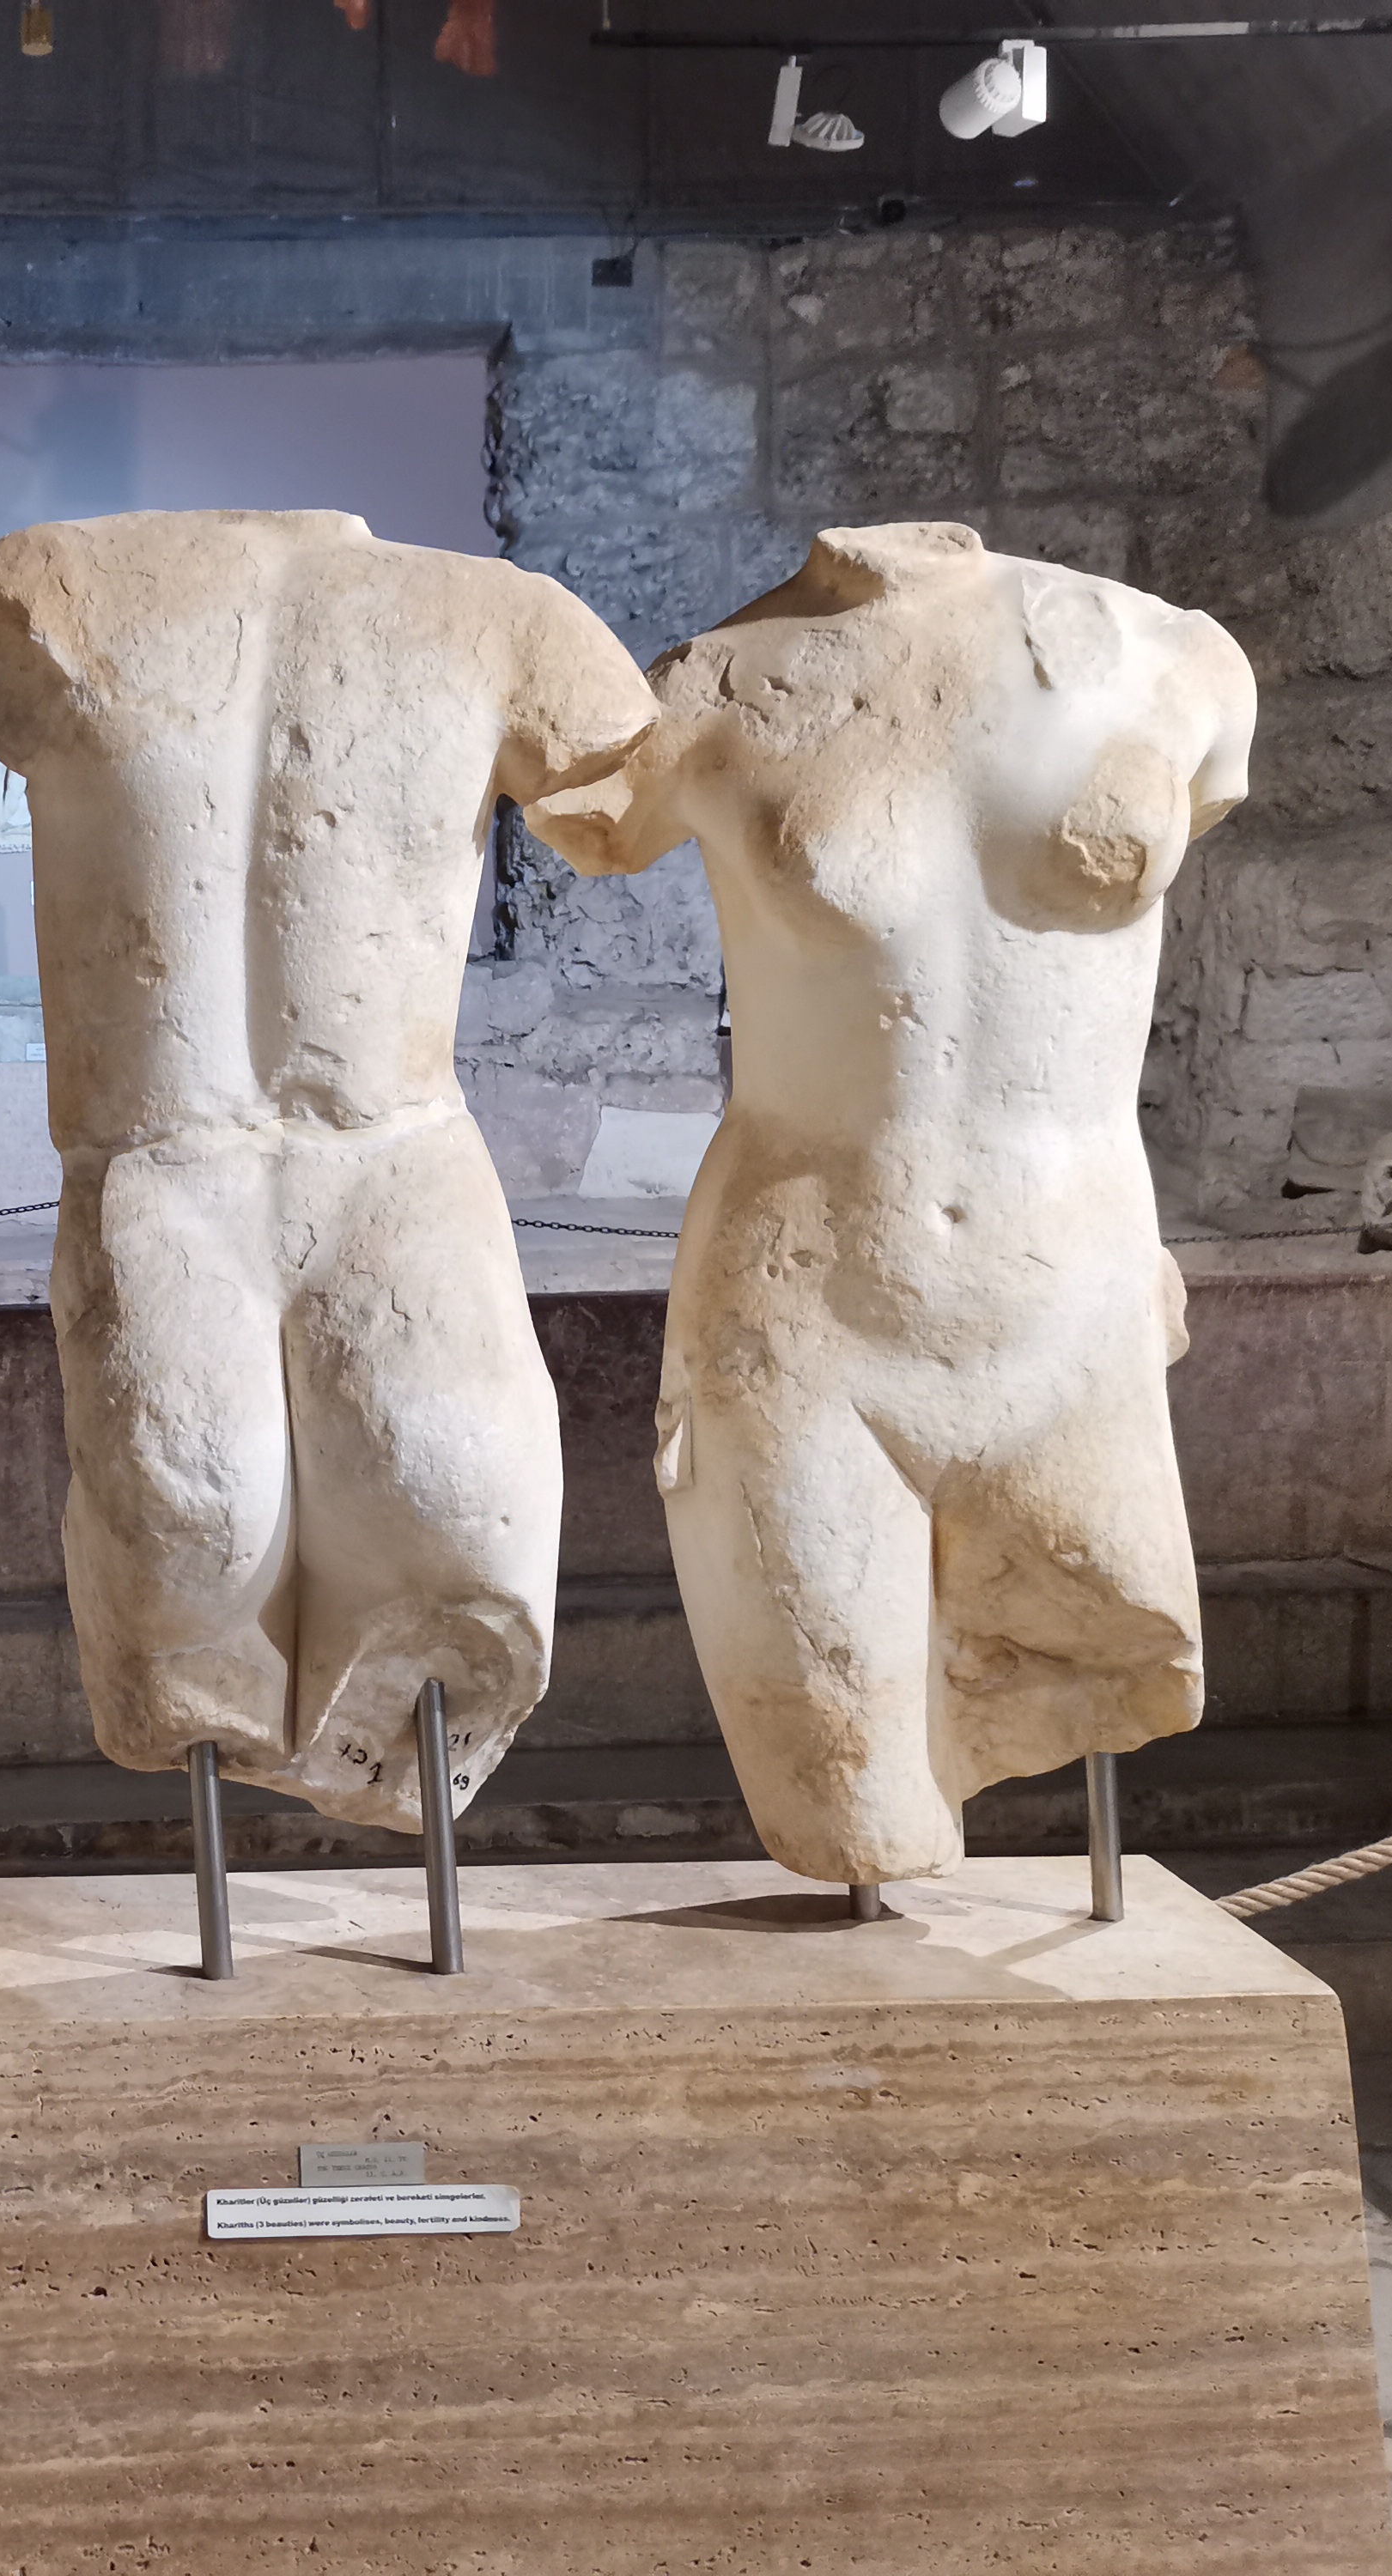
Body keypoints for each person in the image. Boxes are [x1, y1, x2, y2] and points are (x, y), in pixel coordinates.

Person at [528, 522, 1258, 1884]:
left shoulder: (1176, 658)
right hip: (810, 1304)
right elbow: (596, 816)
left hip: (1072, 1303)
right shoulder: (715, 685)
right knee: (853, 1820)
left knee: (1111, 1670)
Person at [0, 510, 656, 1832]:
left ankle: (385, 1776)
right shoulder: (39, 589)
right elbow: (619, 827)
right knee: (190, 1544)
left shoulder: (508, 624)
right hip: (162, 1168)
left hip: (391, 1153)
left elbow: (619, 813)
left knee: (461, 1522)